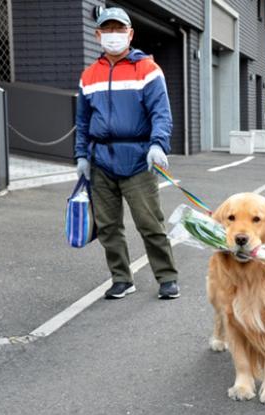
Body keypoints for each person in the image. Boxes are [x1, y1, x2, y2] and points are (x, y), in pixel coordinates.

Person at [74, 7, 179, 300]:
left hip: (138, 158)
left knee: (150, 223)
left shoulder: (147, 69)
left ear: (130, 34)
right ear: (97, 35)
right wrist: (81, 155)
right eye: (107, 30)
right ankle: (121, 278)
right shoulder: (89, 75)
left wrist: (158, 144)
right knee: (108, 226)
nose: (113, 36)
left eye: (119, 30)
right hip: (100, 161)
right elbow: (82, 121)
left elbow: (161, 112)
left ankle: (167, 277)